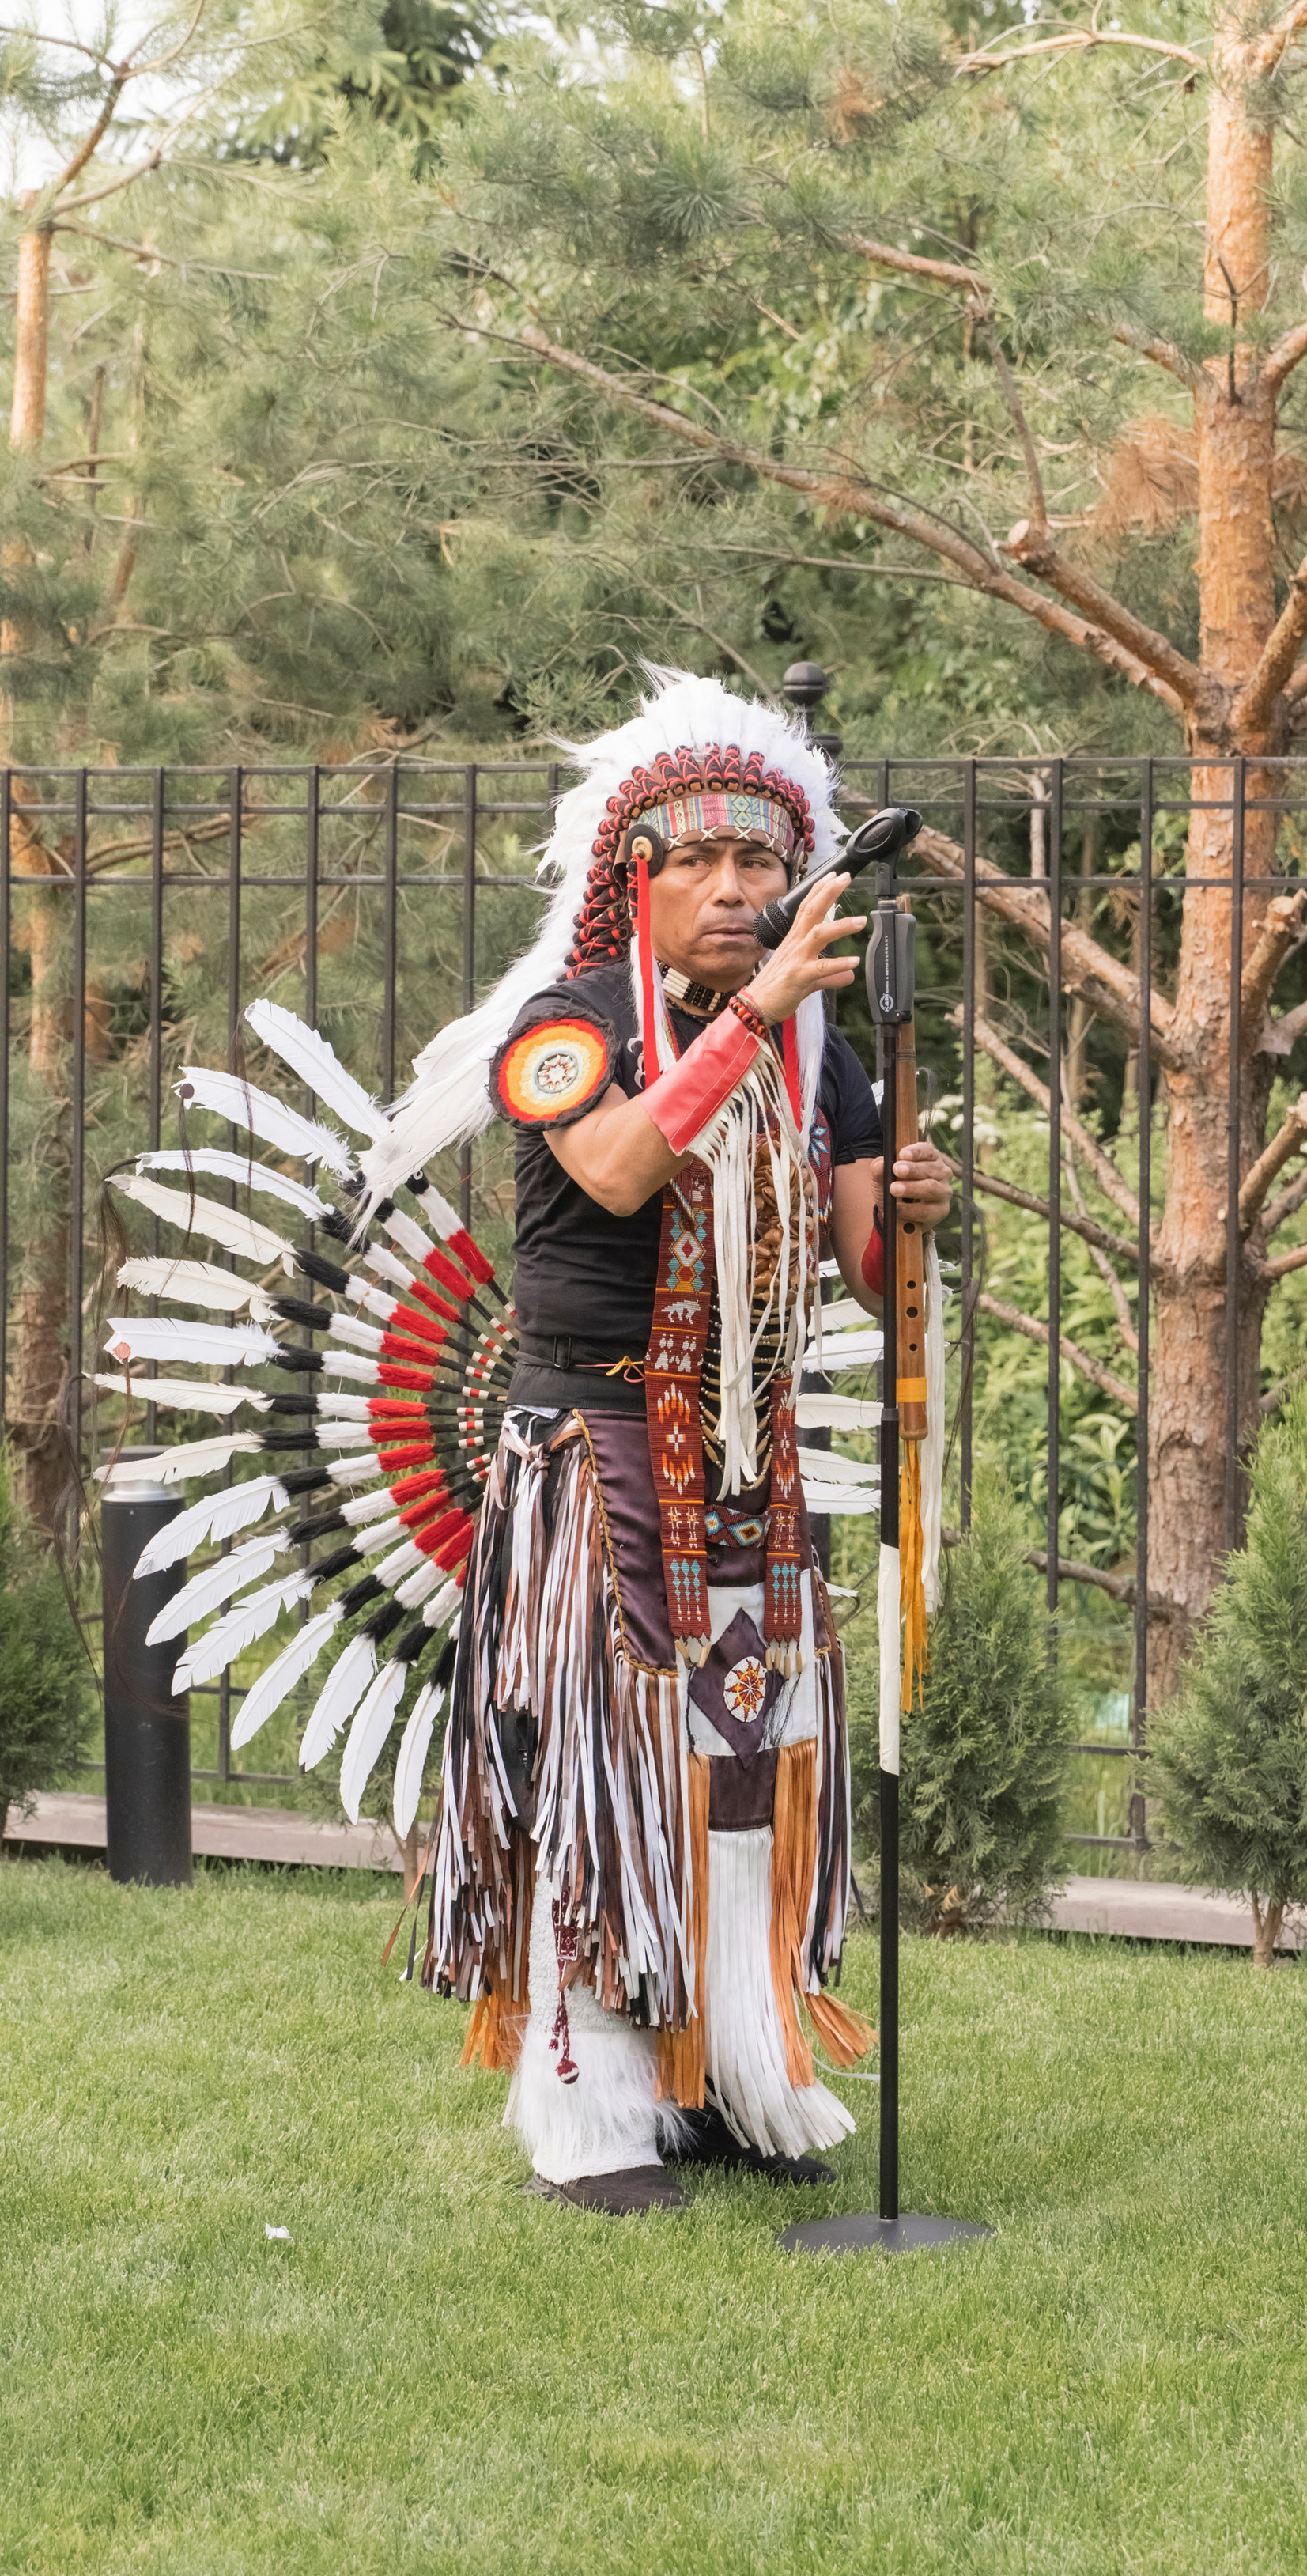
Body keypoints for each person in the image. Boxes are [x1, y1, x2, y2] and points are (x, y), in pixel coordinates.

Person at [363, 671, 951, 2212]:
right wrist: (755, 1018)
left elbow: (860, 1266)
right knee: (598, 1769)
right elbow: (618, 1168)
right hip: (597, 1446)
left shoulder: (823, 1052)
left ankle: (731, 2069)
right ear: (638, 872)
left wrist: (905, 1214)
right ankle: (588, 2106)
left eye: (763, 865)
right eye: (702, 862)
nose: (738, 890)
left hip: (748, 1456)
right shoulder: (565, 1025)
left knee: (744, 1758)